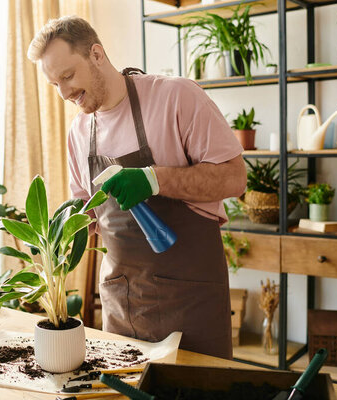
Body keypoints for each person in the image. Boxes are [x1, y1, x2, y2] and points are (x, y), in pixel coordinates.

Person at [27, 16, 247, 359]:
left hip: (190, 301)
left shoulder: (176, 97)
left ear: (97, 55)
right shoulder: (79, 132)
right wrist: (59, 227)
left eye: (67, 76)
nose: (64, 93)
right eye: (54, 84)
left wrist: (154, 179)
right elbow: (87, 210)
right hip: (123, 305)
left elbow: (234, 178)